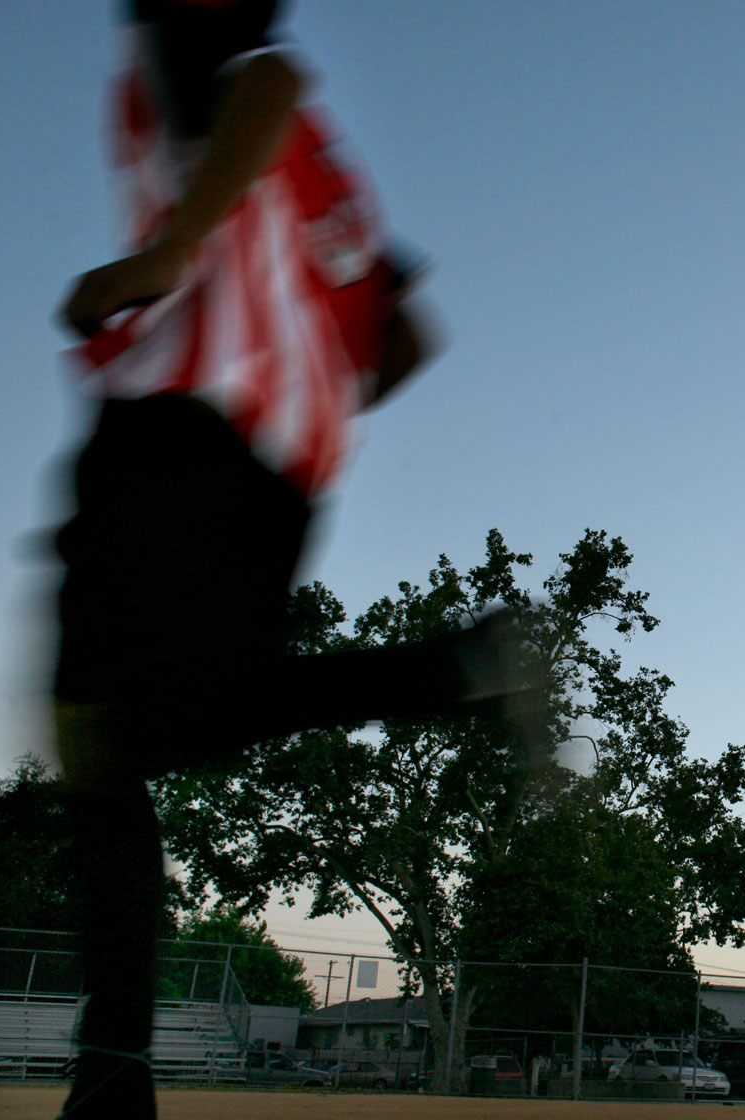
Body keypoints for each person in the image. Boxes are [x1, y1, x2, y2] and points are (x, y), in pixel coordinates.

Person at [51, 4, 531, 1118]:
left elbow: (264, 80)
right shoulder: (339, 178)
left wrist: (167, 253)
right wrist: (309, 391)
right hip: (280, 482)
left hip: (177, 428)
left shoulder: (205, 45)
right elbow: (408, 337)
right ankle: (449, 669)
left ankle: (113, 1069)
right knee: (185, 714)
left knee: (99, 735)